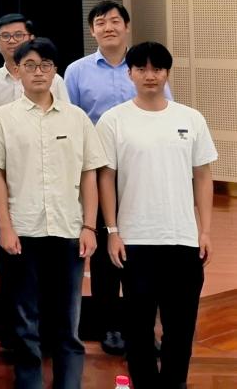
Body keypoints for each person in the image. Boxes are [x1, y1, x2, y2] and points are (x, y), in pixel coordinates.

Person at [96, 41, 215, 389]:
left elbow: (203, 176)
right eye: (142, 69)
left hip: (183, 239)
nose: (150, 75)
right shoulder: (113, 120)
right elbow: (106, 177)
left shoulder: (190, 118)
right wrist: (113, 230)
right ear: (130, 74)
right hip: (135, 239)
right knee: (138, 328)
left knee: (181, 327)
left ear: (167, 73)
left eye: (157, 69)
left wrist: (205, 231)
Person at [0, 38, 105, 389]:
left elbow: (90, 173)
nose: (38, 72)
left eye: (45, 65)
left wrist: (89, 226)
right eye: (30, 65)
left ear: (55, 71)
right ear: (18, 71)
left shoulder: (77, 118)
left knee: (67, 323)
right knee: (26, 322)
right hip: (23, 231)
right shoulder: (3, 118)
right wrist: (5, 227)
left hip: (68, 230)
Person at [63, 0, 171, 356]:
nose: (108, 27)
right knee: (104, 253)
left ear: (126, 26)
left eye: (114, 21)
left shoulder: (143, 66)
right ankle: (109, 325)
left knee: (142, 252)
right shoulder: (77, 71)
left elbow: (164, 112)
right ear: (91, 30)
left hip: (140, 173)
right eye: (100, 22)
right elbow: (71, 121)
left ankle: (142, 328)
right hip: (97, 173)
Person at [0, 14, 71, 110]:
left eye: (18, 35)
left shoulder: (53, 79)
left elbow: (66, 113)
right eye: (5, 36)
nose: (12, 41)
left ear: (31, 38)